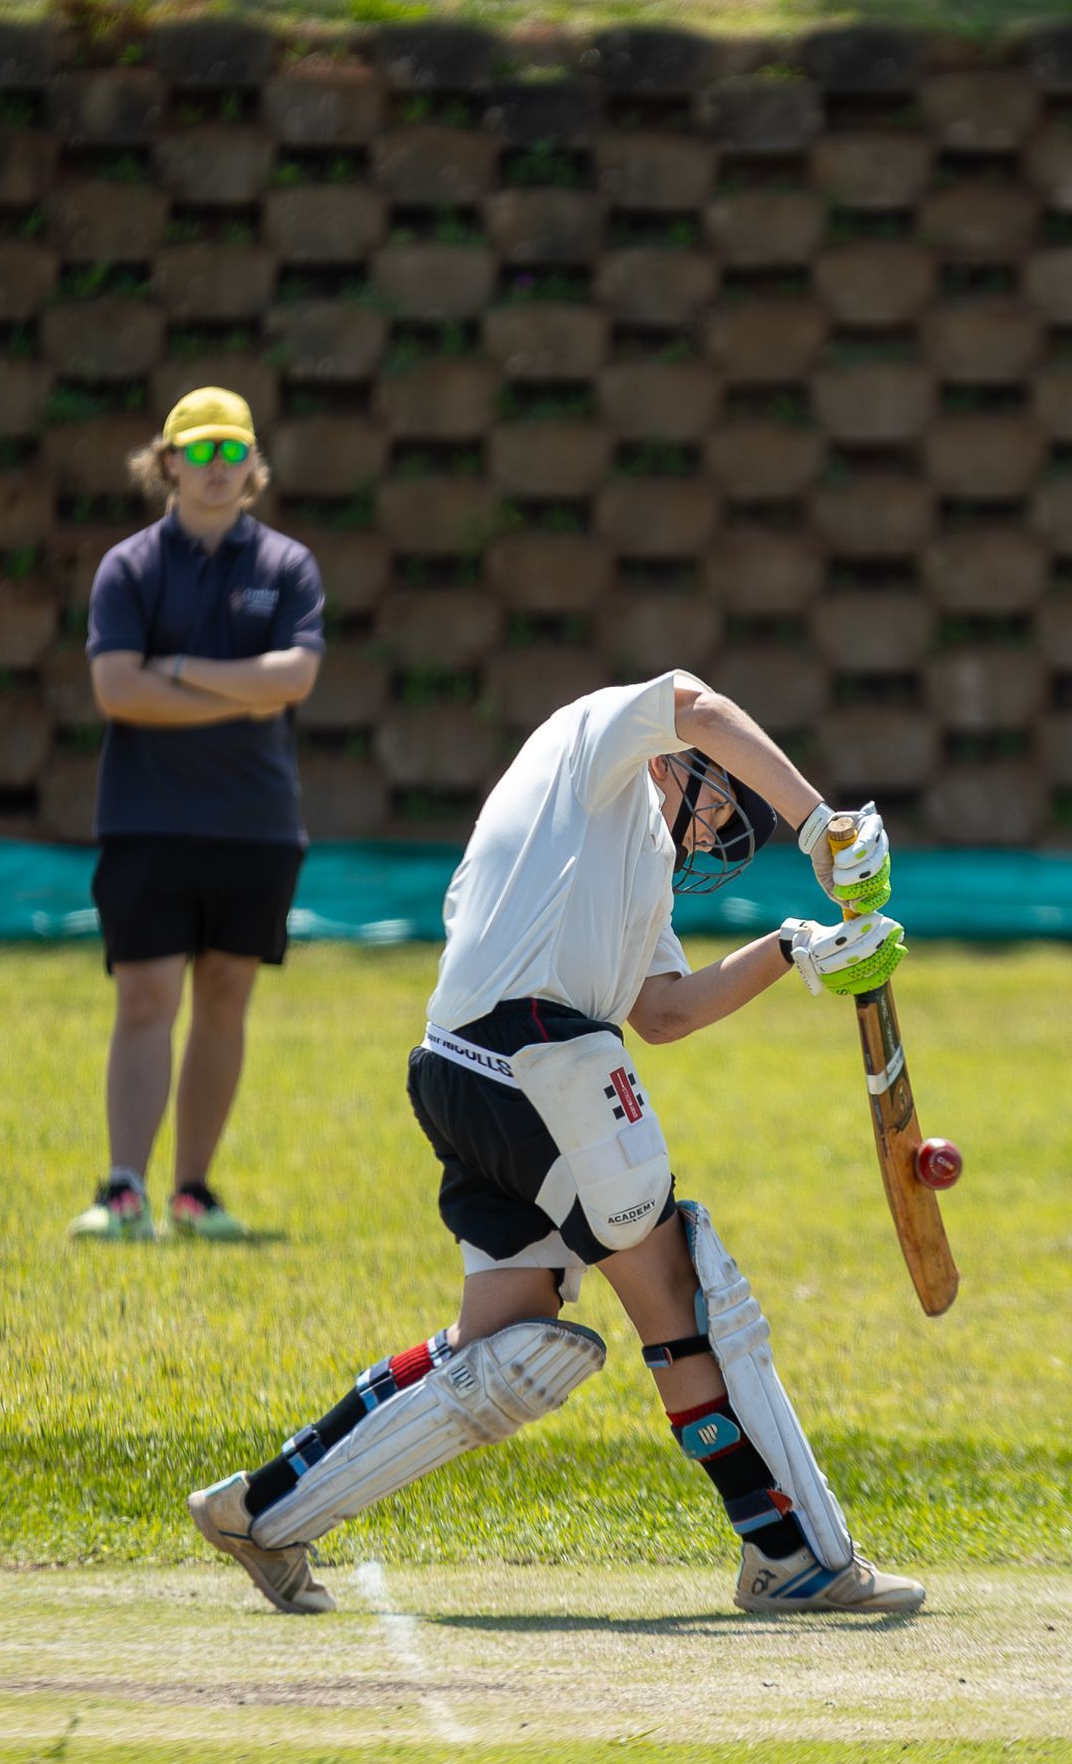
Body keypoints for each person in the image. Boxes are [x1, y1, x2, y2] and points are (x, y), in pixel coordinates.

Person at [188, 668, 928, 1617]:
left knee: (505, 1344)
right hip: (535, 1053)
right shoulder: (591, 738)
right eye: (715, 798)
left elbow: (660, 1012)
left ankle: (263, 1509)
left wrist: (795, 950)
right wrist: (819, 822)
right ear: (679, 762)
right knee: (683, 1291)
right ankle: (791, 1551)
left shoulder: (631, 859)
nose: (711, 829)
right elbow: (697, 704)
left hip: (460, 1069)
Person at [69, 386, 325, 1245]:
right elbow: (116, 691)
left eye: (233, 452)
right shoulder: (130, 567)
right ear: (167, 462)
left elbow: (293, 681)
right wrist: (238, 687)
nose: (218, 469)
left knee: (225, 996)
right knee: (145, 997)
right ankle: (123, 1190)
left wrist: (175, 669)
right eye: (200, 451)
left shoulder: (286, 565)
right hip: (145, 820)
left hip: (256, 823)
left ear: (252, 465)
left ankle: (193, 1194)